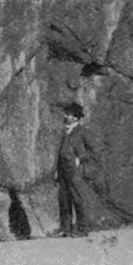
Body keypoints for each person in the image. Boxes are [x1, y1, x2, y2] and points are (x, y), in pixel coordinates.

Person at [51, 102, 93, 238]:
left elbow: (91, 150)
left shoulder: (82, 131)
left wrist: (80, 160)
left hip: (74, 169)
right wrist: (56, 169)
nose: (65, 116)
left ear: (75, 117)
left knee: (78, 198)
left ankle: (82, 229)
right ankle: (66, 228)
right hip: (63, 169)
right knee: (63, 199)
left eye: (68, 114)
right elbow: (60, 152)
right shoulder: (65, 131)